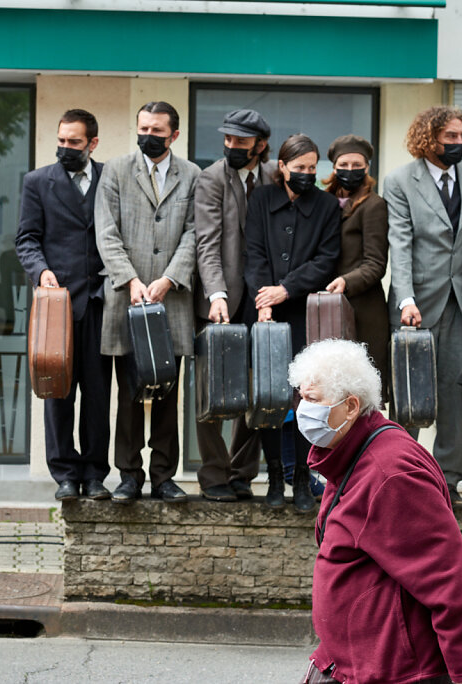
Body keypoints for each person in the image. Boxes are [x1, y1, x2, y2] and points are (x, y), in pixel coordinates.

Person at [289, 339, 462, 684]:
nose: (303, 410)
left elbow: (445, 577)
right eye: (301, 397)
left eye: (313, 400)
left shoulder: (390, 472)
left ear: (351, 406)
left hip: (394, 672)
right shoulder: (351, 450)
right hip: (353, 662)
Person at [380, 106, 462, 506]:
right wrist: (405, 297)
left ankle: (448, 482)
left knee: (453, 395)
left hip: (461, 303)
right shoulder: (400, 181)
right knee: (410, 398)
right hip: (416, 305)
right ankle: (401, 479)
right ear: (429, 138)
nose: (458, 143)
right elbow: (401, 243)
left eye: (461, 136)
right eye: (451, 137)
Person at [95, 101, 200, 504]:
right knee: (130, 393)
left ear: (174, 134)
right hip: (127, 298)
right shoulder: (116, 172)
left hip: (170, 301)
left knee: (167, 393)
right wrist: (132, 280)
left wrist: (170, 278)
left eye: (158, 131)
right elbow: (106, 233)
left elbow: (194, 233)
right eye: (143, 128)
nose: (149, 136)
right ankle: (128, 475)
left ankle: (163, 476)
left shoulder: (191, 175)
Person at [16, 109, 112, 502]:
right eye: (62, 141)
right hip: (58, 307)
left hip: (102, 303)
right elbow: (26, 239)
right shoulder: (38, 182)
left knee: (98, 395)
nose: (66, 148)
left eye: (74, 142)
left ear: (92, 143)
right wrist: (41, 272)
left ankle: (94, 474)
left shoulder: (112, 179)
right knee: (58, 393)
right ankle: (65, 475)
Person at [244, 134, 340, 512]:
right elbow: (253, 253)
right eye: (299, 168)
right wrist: (263, 299)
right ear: (281, 167)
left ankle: (302, 476)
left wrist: (284, 290)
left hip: (305, 314)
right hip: (264, 312)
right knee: (269, 397)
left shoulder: (327, 204)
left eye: (312, 169)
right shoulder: (261, 200)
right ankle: (273, 478)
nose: (306, 175)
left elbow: (326, 259)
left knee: (307, 396)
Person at [194, 109, 274, 502]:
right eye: (227, 139)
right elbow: (206, 243)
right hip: (219, 299)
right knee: (212, 390)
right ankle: (213, 475)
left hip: (262, 297)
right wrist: (216, 294)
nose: (231, 147)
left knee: (258, 389)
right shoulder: (210, 179)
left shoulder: (276, 176)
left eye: (240, 142)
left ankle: (242, 472)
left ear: (259, 145)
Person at [322, 134, 391, 402]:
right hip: (328, 310)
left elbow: (376, 263)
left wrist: (346, 281)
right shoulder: (324, 201)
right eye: (344, 164)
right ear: (334, 167)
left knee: (359, 395)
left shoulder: (374, 205)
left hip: (363, 313)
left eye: (357, 164)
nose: (350, 171)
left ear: (367, 168)